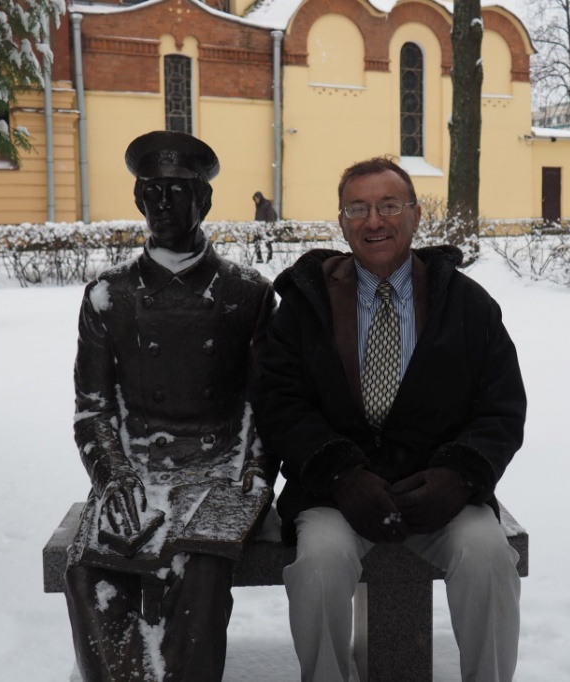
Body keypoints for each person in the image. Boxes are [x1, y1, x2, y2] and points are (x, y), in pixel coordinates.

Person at [252, 157, 527, 682]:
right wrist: (339, 473)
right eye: (358, 208)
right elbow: (280, 401)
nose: (373, 220)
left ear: (416, 216)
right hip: (335, 496)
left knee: (489, 557)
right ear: (341, 222)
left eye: (388, 205)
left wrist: (459, 475)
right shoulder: (306, 304)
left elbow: (501, 405)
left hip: (440, 496)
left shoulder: (467, 306)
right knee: (319, 566)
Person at [65, 131, 275, 682]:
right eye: (151, 190)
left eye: (177, 190)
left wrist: (254, 471)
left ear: (203, 201)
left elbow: (266, 402)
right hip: (137, 467)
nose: (162, 202)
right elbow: (93, 409)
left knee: (199, 564)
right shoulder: (108, 296)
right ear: (138, 200)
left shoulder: (246, 293)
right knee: (91, 571)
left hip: (219, 469)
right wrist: (112, 477)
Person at [252, 190, 278, 263]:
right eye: (255, 199)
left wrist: (269, 226)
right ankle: (259, 258)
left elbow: (271, 216)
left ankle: (270, 257)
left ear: (260, 198)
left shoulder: (266, 205)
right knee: (256, 242)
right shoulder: (258, 206)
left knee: (268, 243)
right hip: (258, 227)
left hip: (265, 228)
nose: (256, 200)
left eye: (257, 198)